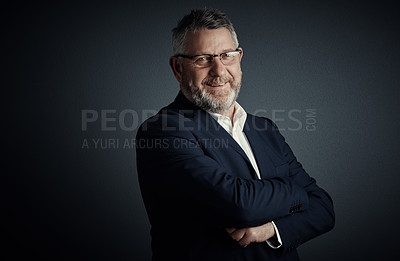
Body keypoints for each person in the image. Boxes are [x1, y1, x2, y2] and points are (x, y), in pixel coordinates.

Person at [136, 8, 334, 261]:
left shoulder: (265, 129)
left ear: (239, 58)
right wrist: (296, 191)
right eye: (202, 59)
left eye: (227, 56)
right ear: (178, 67)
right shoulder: (162, 131)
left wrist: (273, 229)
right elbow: (240, 206)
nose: (219, 71)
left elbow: (325, 209)